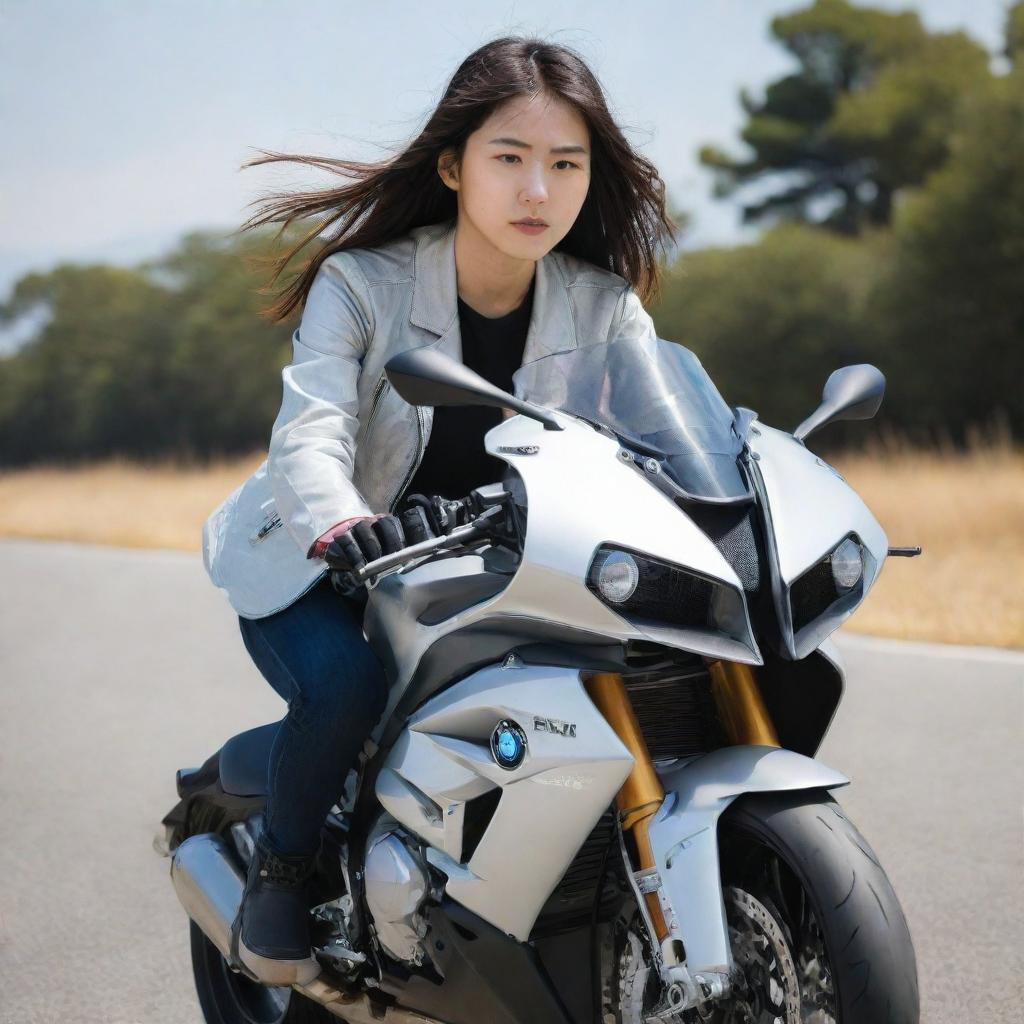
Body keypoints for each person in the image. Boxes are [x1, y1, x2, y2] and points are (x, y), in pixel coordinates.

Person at [201, 35, 676, 986]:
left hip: (486, 564)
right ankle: (282, 880)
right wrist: (344, 525)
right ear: (455, 166)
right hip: (323, 565)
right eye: (511, 159)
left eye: (566, 164)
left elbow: (662, 437)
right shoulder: (363, 285)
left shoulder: (605, 306)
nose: (538, 190)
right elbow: (312, 432)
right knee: (343, 686)